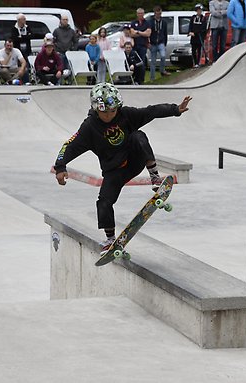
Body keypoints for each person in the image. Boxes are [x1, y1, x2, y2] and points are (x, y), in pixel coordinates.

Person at [53, 83, 192, 253]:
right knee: (103, 202)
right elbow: (70, 145)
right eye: (105, 112)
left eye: (113, 111)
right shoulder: (89, 127)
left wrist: (175, 109)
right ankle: (110, 239)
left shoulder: (126, 114)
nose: (110, 115)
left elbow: (151, 111)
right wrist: (60, 167)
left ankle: (154, 177)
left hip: (134, 160)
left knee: (138, 136)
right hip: (114, 171)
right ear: (96, 109)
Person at [53, 14, 77, 84]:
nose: (65, 21)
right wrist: (55, 51)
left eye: (66, 20)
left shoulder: (72, 31)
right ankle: (59, 82)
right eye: (64, 20)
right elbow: (53, 41)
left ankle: (69, 82)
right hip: (59, 52)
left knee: (69, 68)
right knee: (60, 68)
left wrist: (73, 50)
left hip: (69, 53)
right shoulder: (56, 31)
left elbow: (75, 41)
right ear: (61, 21)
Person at [130, 8, 151, 84]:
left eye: (141, 13)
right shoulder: (133, 23)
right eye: (139, 13)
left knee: (142, 63)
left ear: (143, 14)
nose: (140, 15)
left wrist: (138, 32)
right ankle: (135, 79)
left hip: (143, 46)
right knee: (134, 63)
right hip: (135, 46)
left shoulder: (147, 23)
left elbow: (148, 34)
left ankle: (141, 80)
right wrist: (142, 33)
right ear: (137, 14)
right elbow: (132, 33)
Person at [149, 5, 169, 81]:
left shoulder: (163, 22)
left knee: (163, 56)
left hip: (161, 42)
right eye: (157, 13)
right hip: (153, 43)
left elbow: (165, 33)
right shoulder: (150, 22)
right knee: (153, 61)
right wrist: (149, 42)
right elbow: (149, 32)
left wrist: (165, 43)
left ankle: (162, 70)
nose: (158, 15)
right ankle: (152, 78)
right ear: (155, 13)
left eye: (160, 13)